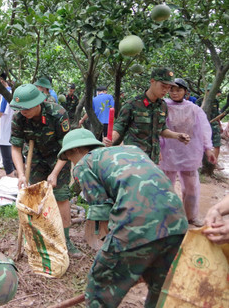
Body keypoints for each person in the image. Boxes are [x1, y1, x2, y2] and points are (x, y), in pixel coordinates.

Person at [58, 128, 188, 308]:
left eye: (69, 158)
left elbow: (101, 209)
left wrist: (108, 250)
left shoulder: (83, 164)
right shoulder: (131, 150)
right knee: (160, 288)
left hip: (137, 224)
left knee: (100, 285)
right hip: (176, 221)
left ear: (73, 151)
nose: (72, 163)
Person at [9, 84, 81, 257]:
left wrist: (55, 173)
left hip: (59, 155)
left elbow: (67, 147)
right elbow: (16, 148)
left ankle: (66, 241)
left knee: (61, 196)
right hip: (35, 159)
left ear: (37, 103)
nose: (22, 111)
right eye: (19, 108)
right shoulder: (19, 118)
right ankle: (37, 238)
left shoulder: (58, 114)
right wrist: (20, 173)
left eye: (25, 108)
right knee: (35, 196)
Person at [159, 78, 217, 227]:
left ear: (186, 92)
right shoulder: (163, 106)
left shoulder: (194, 109)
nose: (174, 93)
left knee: (191, 188)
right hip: (168, 152)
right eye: (172, 90)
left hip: (189, 152)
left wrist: (208, 148)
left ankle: (191, 216)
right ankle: (166, 217)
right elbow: (157, 128)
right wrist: (157, 148)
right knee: (166, 186)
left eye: (178, 90)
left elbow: (204, 129)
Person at [103, 67, 191, 164]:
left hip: (153, 160)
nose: (166, 90)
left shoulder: (162, 106)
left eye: (168, 87)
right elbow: (119, 126)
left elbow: (162, 129)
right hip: (133, 158)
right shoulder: (132, 104)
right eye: (163, 86)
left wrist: (177, 135)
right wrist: (110, 139)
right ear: (152, 81)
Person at [196, 84, 222, 166]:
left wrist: (220, 125)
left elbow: (217, 115)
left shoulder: (216, 101)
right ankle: (201, 164)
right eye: (208, 91)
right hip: (202, 126)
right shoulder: (200, 101)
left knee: (217, 144)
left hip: (214, 125)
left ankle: (214, 164)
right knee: (202, 145)